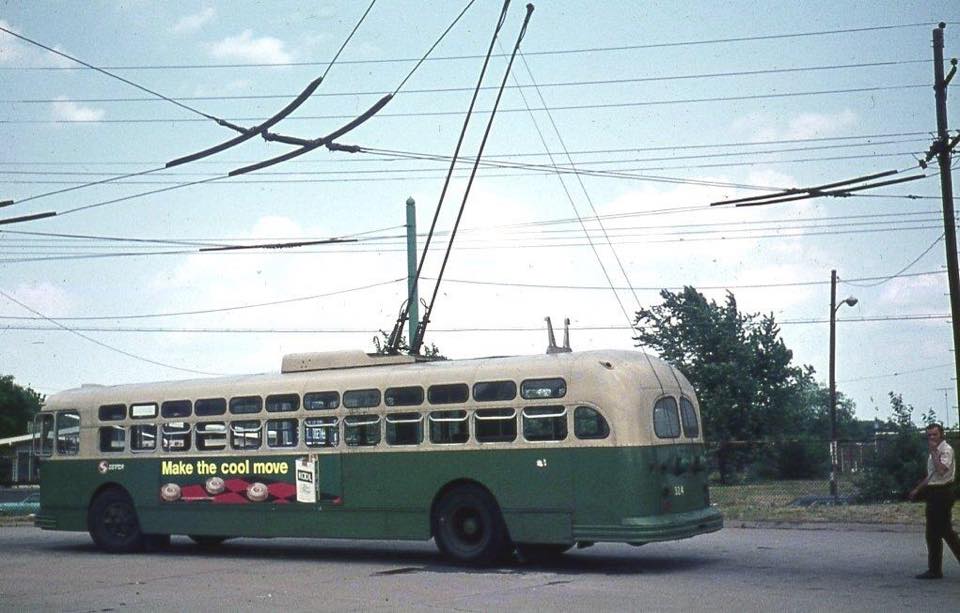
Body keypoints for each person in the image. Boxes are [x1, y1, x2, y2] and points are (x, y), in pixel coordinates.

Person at [908, 423, 960, 579]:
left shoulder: (946, 450)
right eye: (929, 435)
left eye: (934, 435)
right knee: (932, 533)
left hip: (943, 492)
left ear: (941, 435)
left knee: (945, 531)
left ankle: (935, 569)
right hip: (933, 492)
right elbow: (931, 475)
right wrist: (918, 489)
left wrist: (933, 452)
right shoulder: (934, 453)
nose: (931, 438)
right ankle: (934, 569)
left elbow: (942, 470)